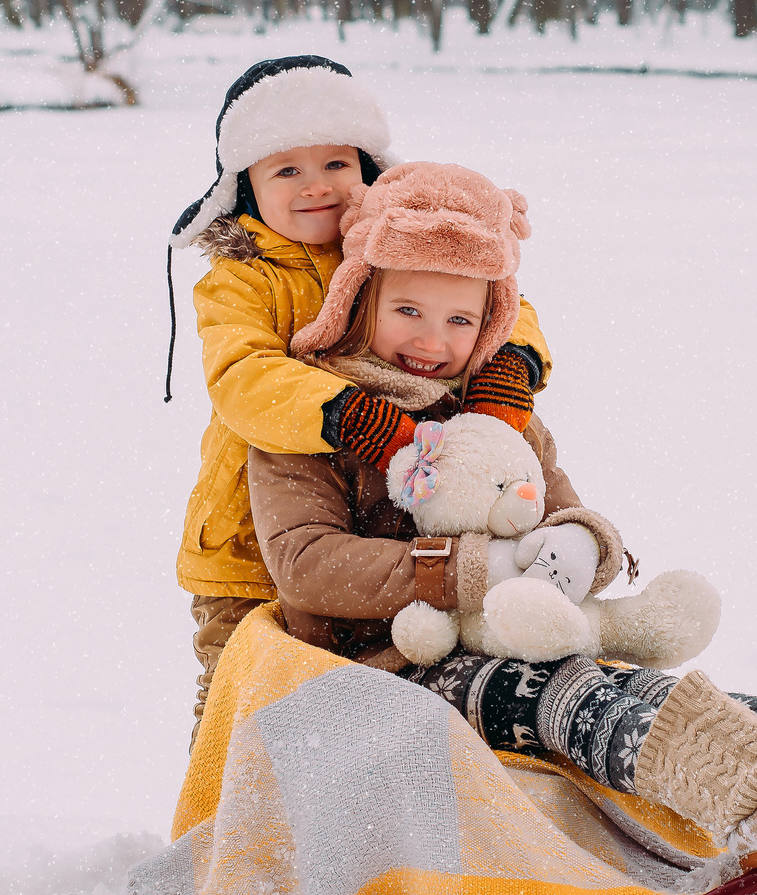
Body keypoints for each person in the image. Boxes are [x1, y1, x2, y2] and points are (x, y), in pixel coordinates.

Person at [242, 160, 757, 864]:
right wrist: (468, 570)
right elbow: (306, 565)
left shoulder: (498, 412)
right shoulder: (315, 417)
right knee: (557, 692)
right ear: (359, 300)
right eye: (407, 310)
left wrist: (579, 544)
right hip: (377, 667)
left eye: (459, 319)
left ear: (491, 321)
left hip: (502, 631)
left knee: (618, 673)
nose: (433, 341)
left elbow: (555, 499)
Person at [167, 57, 554, 730]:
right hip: (246, 550)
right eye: (286, 169)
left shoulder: (384, 245)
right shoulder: (241, 279)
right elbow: (244, 377)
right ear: (246, 185)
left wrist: (511, 362)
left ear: (368, 167)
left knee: (345, 715)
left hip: (367, 521)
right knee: (242, 708)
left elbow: (485, 289)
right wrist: (351, 415)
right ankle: (218, 831)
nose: (316, 186)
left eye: (335, 164)